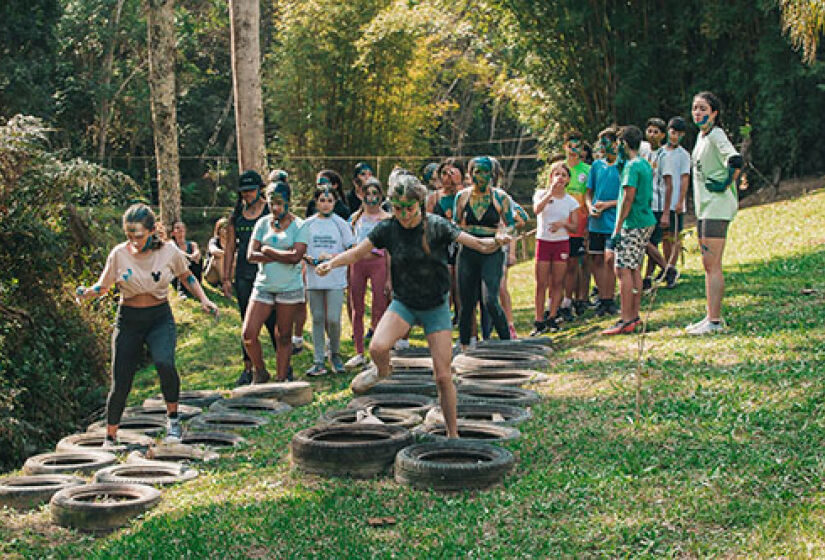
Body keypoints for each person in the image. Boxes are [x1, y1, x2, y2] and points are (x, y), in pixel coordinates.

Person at [316, 168, 511, 438]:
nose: (404, 215)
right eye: (398, 208)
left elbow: (476, 243)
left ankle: (452, 433)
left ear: (419, 203)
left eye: (409, 208)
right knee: (378, 347)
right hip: (404, 303)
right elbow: (357, 253)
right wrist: (332, 263)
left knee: (443, 377)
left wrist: (496, 240)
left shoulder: (436, 225)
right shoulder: (388, 228)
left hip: (436, 306)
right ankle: (382, 371)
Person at [75, 203, 218, 446]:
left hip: (159, 317)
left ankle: (173, 421)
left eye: (138, 235)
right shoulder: (119, 253)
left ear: (152, 231)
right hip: (129, 319)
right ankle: (110, 436)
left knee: (164, 362)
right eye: (129, 235)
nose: (133, 240)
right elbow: (104, 286)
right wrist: (87, 292)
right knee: (121, 380)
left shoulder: (169, 252)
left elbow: (187, 276)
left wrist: (204, 299)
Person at [686, 91, 742, 334]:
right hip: (705, 207)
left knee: (712, 264)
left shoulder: (717, 134)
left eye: (703, 109)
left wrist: (727, 182)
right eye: (695, 108)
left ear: (714, 113)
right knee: (708, 264)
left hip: (717, 207)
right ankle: (710, 315)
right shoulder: (702, 136)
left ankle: (715, 321)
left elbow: (736, 159)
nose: (698, 113)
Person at [242, 180, 308, 383]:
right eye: (272, 204)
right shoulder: (262, 224)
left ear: (289, 202)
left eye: (280, 203)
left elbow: (296, 256)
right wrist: (282, 255)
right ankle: (260, 371)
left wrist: (268, 250)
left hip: (289, 287)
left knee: (283, 335)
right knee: (248, 334)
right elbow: (251, 255)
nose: (275, 208)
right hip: (264, 285)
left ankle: (281, 378)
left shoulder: (299, 226)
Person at [222, 170, 278, 386]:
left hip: (268, 272)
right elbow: (229, 249)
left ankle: (284, 367)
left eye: (251, 190)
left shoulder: (269, 210)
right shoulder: (237, 215)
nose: (247, 195)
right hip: (244, 275)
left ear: (259, 190)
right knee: (247, 322)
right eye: (244, 192)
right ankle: (251, 368)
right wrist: (226, 278)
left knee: (274, 320)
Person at [453, 156, 514, 349]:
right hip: (469, 250)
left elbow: (510, 224)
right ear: (470, 175)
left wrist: (502, 235)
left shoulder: (500, 197)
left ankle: (506, 342)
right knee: (466, 303)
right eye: (477, 172)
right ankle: (464, 344)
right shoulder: (462, 197)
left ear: (492, 174)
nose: (482, 176)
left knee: (490, 300)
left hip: (492, 251)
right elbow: (456, 224)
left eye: (486, 172)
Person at [601, 125, 657, 335]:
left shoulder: (632, 167)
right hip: (645, 220)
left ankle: (626, 318)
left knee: (623, 269)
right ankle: (633, 316)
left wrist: (617, 229)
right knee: (633, 269)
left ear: (624, 144)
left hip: (632, 223)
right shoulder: (642, 164)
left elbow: (627, 199)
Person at [302, 185, 355, 376]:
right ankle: (318, 361)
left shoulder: (341, 224)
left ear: (335, 202)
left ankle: (335, 353)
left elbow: (351, 248)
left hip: (335, 277)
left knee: (333, 318)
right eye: (322, 200)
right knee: (317, 317)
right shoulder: (307, 224)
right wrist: (309, 259)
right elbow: (302, 248)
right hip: (314, 276)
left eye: (330, 201)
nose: (326, 205)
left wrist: (332, 258)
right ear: (316, 202)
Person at [346, 177, 391, 369]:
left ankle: (378, 351)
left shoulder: (386, 219)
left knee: (379, 307)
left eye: (375, 194)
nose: (371, 198)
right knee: (357, 307)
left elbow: (390, 250)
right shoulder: (356, 218)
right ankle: (358, 352)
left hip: (378, 263)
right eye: (368, 194)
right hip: (358, 264)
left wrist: (389, 276)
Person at [531, 157, 579, 335]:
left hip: (561, 243)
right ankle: (538, 319)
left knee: (557, 282)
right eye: (556, 174)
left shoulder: (571, 201)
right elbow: (536, 210)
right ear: (550, 177)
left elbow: (575, 226)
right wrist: (550, 193)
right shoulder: (541, 193)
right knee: (541, 283)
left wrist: (563, 224)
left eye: (564, 175)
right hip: (543, 242)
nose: (560, 178)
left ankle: (552, 316)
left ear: (568, 180)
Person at [586, 128, 622, 317]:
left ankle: (610, 298)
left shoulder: (623, 166)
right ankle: (603, 298)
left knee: (610, 259)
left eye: (608, 142)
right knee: (597, 260)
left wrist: (608, 204)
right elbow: (588, 192)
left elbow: (627, 196)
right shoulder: (596, 166)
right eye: (602, 142)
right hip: (596, 222)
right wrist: (590, 207)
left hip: (613, 220)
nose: (604, 146)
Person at [559, 130, 591, 321]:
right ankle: (557, 301)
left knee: (574, 264)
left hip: (579, 224)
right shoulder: (558, 169)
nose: (573, 149)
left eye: (577, 146)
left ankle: (572, 301)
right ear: (565, 146)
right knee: (558, 266)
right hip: (559, 225)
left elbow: (589, 196)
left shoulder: (587, 170)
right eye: (570, 145)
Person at [430, 158, 464, 325]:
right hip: (440, 245)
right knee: (445, 284)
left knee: (460, 284)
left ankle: (462, 317)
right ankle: (443, 318)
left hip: (461, 242)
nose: (448, 178)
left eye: (452, 173)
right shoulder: (434, 197)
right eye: (444, 173)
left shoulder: (465, 194)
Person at [658, 116, 691, 288]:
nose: (674, 136)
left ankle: (672, 267)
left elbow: (685, 178)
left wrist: (680, 201)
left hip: (675, 202)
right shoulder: (660, 152)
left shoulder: (684, 155)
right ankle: (665, 266)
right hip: (660, 201)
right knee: (664, 237)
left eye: (678, 133)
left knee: (674, 237)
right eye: (672, 132)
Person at [641, 117, 670, 293]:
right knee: (648, 242)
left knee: (648, 241)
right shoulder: (642, 150)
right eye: (649, 131)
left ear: (662, 135)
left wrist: (667, 211)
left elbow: (669, 184)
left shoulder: (664, 155)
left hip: (657, 203)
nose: (652, 135)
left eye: (656, 132)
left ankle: (666, 269)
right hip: (643, 202)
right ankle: (649, 277)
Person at [170, 221, 202, 297]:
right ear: (173, 233)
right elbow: (178, 253)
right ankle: (182, 291)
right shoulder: (171, 245)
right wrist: (189, 257)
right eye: (177, 228)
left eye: (182, 227)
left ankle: (195, 287)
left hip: (193, 272)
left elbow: (197, 252)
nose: (180, 229)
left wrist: (194, 256)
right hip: (177, 276)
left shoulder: (192, 244)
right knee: (182, 260)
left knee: (198, 259)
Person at [204, 217, 230, 287]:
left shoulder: (233, 242)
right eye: (224, 228)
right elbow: (213, 251)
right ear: (219, 230)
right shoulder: (214, 241)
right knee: (218, 257)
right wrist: (228, 255)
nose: (226, 230)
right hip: (212, 274)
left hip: (228, 272)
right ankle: (224, 283)